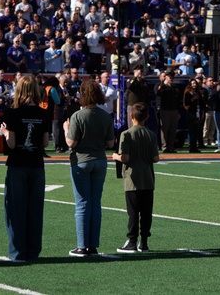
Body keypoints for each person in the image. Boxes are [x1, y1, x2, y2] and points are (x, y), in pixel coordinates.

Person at [0, 74, 50, 262]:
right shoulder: (43, 113)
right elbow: (44, 142)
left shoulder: (12, 113)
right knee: (35, 211)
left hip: (18, 164)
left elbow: (11, 144)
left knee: (15, 211)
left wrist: (4, 132)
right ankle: (33, 251)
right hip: (36, 164)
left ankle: (17, 252)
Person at [64, 79, 116, 257]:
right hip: (100, 160)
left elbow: (71, 142)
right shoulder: (105, 115)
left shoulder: (79, 116)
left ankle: (81, 245)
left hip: (81, 160)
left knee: (82, 204)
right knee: (95, 203)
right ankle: (92, 245)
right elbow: (110, 142)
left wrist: (65, 129)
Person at [112, 102, 160, 253]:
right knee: (146, 212)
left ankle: (132, 240)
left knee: (133, 212)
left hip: (132, 179)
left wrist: (115, 156)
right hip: (148, 178)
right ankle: (144, 241)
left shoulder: (126, 134)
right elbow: (155, 158)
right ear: (147, 117)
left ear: (131, 116)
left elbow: (125, 158)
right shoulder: (151, 134)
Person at [156, 73, 180, 154]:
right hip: (165, 110)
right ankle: (164, 146)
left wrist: (178, 111)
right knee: (164, 129)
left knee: (173, 129)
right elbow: (157, 93)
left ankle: (171, 146)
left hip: (174, 110)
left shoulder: (175, 87)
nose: (171, 79)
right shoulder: (161, 86)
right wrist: (163, 85)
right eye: (170, 77)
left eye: (172, 77)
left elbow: (177, 99)